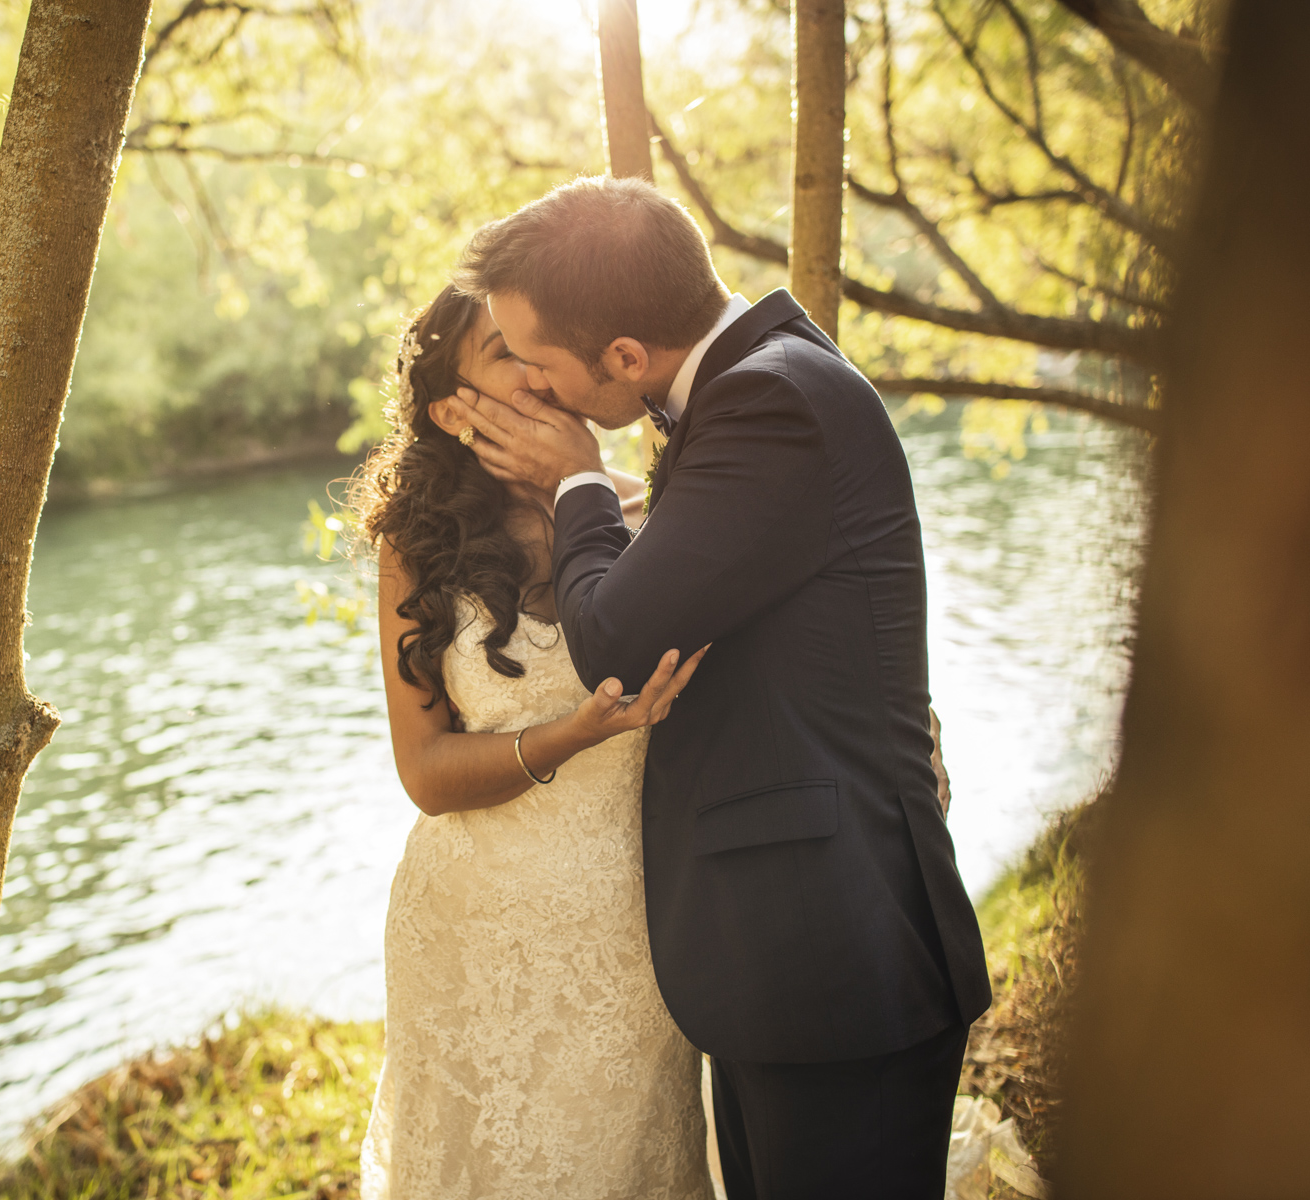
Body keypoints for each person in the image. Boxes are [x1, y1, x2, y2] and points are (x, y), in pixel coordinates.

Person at [449, 175, 992, 1199]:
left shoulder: (769, 401)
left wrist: (575, 479)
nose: (536, 388)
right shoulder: (755, 384)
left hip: (836, 965)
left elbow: (617, 642)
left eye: (540, 363)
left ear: (625, 357)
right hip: (789, 961)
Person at [351, 283, 718, 1199]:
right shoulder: (417, 547)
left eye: (536, 342)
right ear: (451, 409)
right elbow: (425, 771)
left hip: (639, 923)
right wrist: (570, 734)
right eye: (502, 351)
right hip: (473, 930)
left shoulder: (652, 510)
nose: (537, 366)